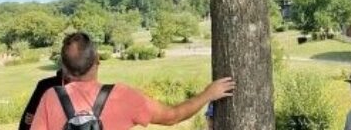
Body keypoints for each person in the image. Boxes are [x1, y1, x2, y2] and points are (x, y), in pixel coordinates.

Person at [30, 32, 235, 130]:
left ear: (64, 68)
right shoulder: (122, 96)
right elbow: (173, 116)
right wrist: (208, 94)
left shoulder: (50, 97)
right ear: (97, 60)